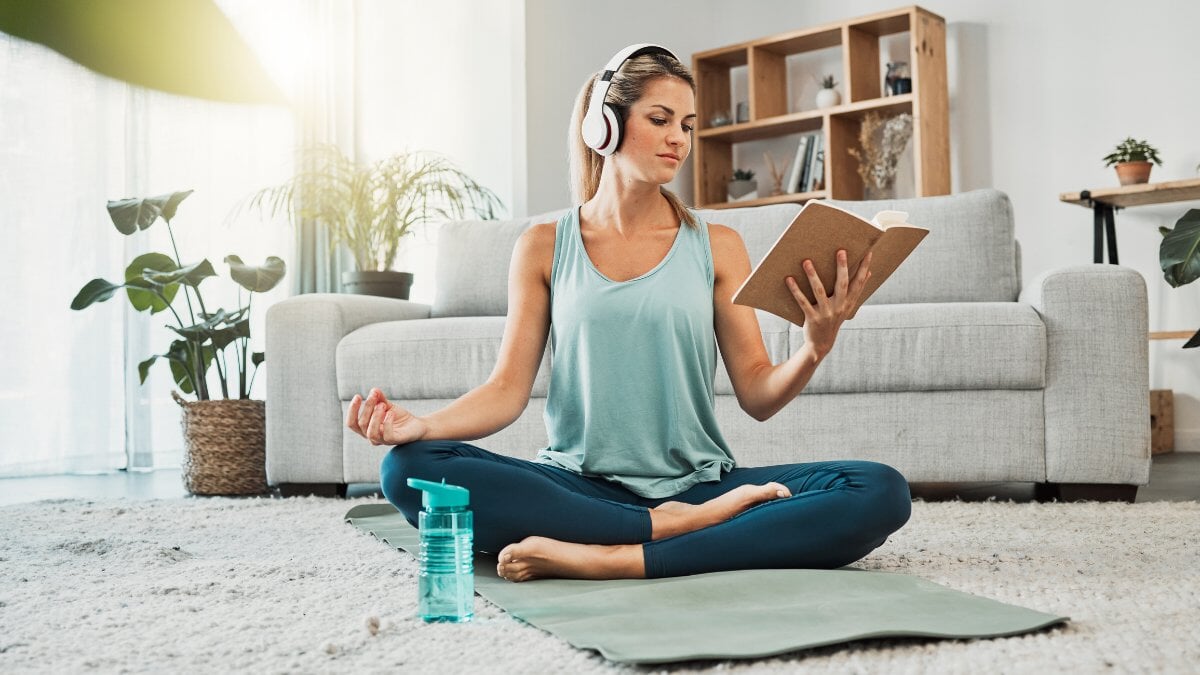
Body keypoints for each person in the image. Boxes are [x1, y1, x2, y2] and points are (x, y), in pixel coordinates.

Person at [346, 44, 911, 582]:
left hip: (700, 488)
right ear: (605, 126)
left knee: (879, 490)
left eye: (687, 125)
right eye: (661, 119)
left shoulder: (719, 244)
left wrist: (816, 344)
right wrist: (423, 426)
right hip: (577, 489)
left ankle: (620, 557)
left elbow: (759, 396)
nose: (679, 140)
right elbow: (505, 390)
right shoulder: (543, 245)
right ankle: (664, 531)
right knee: (405, 469)